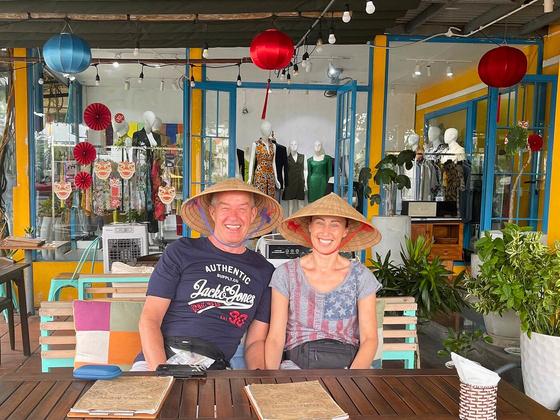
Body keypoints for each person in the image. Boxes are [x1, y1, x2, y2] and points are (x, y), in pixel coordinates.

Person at [134, 178, 283, 371]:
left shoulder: (264, 271)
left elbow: (255, 341)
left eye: (242, 209)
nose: (234, 217)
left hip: (214, 368)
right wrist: (162, 373)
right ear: (213, 212)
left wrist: (259, 380)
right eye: (225, 208)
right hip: (159, 359)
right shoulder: (181, 251)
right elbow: (150, 319)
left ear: (253, 214)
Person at [265, 193, 383, 369]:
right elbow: (275, 337)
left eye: (335, 224)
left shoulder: (361, 276)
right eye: (319, 222)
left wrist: (351, 378)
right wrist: (272, 378)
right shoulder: (286, 274)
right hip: (297, 366)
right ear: (310, 226)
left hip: (348, 366)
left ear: (345, 231)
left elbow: (369, 339)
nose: (326, 231)